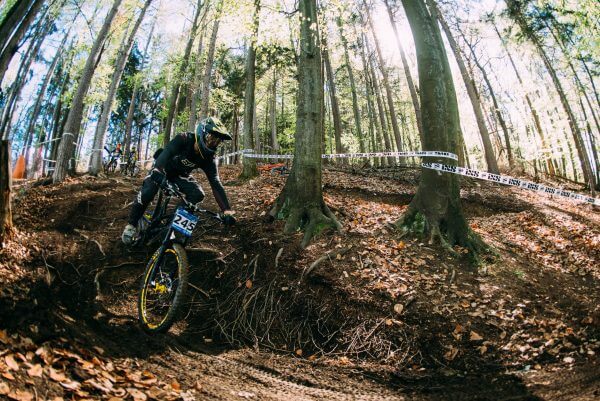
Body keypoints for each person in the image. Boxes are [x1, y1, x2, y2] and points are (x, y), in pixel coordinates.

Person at [121, 117, 236, 244]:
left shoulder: (209, 158)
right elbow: (166, 153)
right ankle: (131, 225)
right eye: (211, 137)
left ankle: (173, 228)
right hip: (162, 169)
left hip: (179, 175)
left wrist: (226, 210)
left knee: (197, 194)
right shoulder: (184, 139)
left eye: (218, 141)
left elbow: (215, 183)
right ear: (202, 133)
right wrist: (157, 172)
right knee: (149, 189)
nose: (213, 143)